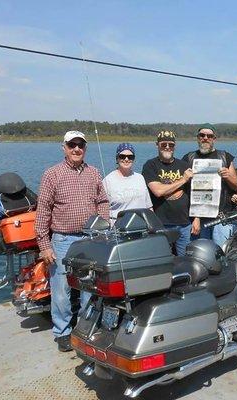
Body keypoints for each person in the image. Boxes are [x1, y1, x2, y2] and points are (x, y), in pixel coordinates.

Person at [35, 130, 109, 352]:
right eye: (72, 145)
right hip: (63, 239)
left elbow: (103, 201)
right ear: (64, 148)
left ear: (85, 148)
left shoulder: (94, 172)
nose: (77, 149)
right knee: (61, 289)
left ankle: (85, 327)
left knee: (89, 287)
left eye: (80, 145)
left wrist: (103, 225)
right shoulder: (52, 174)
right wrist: (44, 246)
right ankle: (63, 332)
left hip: (90, 239)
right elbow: (43, 211)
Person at [182, 123, 237, 247]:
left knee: (221, 253)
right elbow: (184, 189)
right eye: (202, 135)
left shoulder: (225, 157)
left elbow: (236, 186)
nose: (205, 138)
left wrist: (228, 176)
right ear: (198, 138)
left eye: (209, 136)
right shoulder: (189, 158)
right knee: (201, 253)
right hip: (199, 218)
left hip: (221, 218)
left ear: (214, 139)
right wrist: (196, 217)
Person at [142, 130, 193, 256]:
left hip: (184, 224)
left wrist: (196, 218)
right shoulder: (150, 165)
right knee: (163, 259)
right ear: (157, 145)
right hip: (161, 224)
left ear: (175, 146)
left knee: (185, 261)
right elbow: (158, 191)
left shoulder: (184, 165)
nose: (167, 147)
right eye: (163, 144)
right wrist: (183, 179)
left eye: (171, 145)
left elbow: (194, 194)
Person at [102, 143, 152, 225]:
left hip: (141, 226)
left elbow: (149, 207)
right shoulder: (108, 181)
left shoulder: (140, 178)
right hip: (118, 228)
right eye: (122, 156)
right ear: (117, 158)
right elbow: (102, 209)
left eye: (130, 157)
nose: (126, 159)